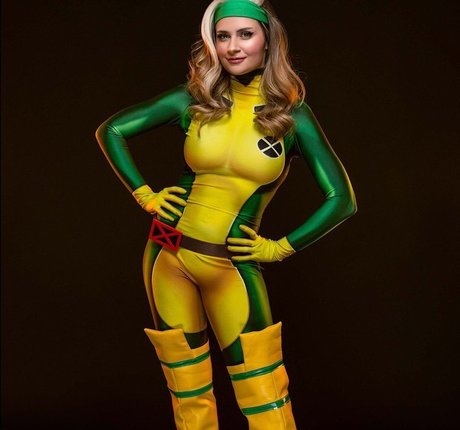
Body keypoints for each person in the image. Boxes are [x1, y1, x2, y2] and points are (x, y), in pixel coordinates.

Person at [96, 0, 357, 428]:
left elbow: (341, 198)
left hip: (230, 266)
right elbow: (112, 130)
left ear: (268, 40)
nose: (233, 47)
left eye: (245, 34)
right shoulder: (195, 100)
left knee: (264, 394)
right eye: (222, 36)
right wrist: (145, 195)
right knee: (188, 394)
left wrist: (279, 247)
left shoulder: (291, 117)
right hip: (167, 254)